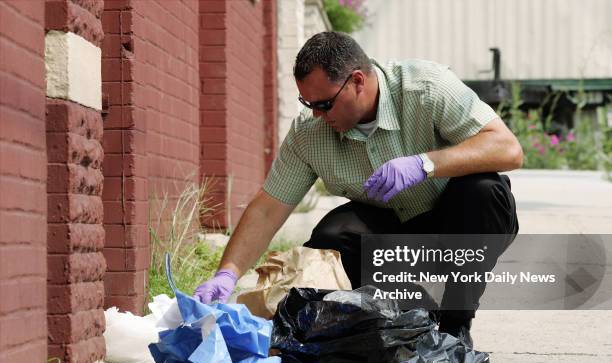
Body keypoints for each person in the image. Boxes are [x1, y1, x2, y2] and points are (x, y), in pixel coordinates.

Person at [194, 32, 522, 346]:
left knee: (481, 192)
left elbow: (508, 148)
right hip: (394, 241)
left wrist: (425, 164)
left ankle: (454, 327)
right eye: (308, 103)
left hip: (459, 231)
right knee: (332, 237)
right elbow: (268, 208)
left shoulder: (426, 87)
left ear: (357, 81)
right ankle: (407, 319)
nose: (317, 115)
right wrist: (228, 273)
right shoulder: (309, 134)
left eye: (324, 104)